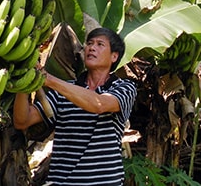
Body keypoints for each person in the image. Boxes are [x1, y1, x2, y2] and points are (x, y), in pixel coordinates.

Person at [13, 27, 137, 186]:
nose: (91, 47)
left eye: (100, 44)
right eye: (89, 43)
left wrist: (48, 79)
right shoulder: (63, 92)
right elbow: (22, 121)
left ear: (114, 56)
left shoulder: (124, 87)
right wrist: (24, 81)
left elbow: (98, 104)